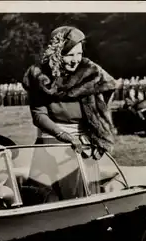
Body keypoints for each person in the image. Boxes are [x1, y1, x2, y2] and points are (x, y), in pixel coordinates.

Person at [22, 26, 117, 198]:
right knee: (43, 198)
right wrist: (62, 134)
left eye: (79, 54)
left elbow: (104, 101)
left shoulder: (90, 72)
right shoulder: (39, 76)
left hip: (83, 144)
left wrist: (99, 135)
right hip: (51, 144)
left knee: (83, 199)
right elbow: (39, 114)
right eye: (70, 55)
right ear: (57, 54)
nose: (76, 60)